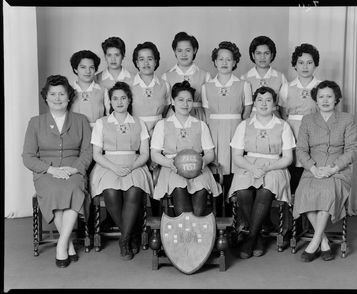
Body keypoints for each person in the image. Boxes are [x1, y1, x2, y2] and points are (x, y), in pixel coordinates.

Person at [22, 75, 92, 268]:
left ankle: (62, 244)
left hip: (73, 169)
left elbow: (88, 150)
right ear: (46, 97)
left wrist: (75, 168)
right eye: (53, 94)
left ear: (69, 97)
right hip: (46, 172)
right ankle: (67, 244)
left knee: (72, 189)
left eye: (62, 93)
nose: (58, 98)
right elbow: (27, 157)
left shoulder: (81, 120)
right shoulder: (35, 122)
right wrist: (51, 170)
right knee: (54, 191)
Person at [293, 80, 357, 262]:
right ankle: (323, 242)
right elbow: (301, 150)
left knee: (327, 193)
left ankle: (313, 243)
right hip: (313, 168)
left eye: (329, 96)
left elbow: (352, 150)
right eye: (321, 96)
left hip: (338, 169)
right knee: (303, 193)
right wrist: (313, 169)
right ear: (316, 99)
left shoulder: (347, 119)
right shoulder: (308, 120)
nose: (325, 100)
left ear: (336, 98)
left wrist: (333, 168)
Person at [228, 86, 295, 259]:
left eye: (268, 100)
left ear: (274, 105)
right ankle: (257, 237)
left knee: (266, 191)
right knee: (242, 191)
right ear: (255, 103)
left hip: (275, 165)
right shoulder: (244, 125)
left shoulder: (283, 126)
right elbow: (237, 156)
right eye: (259, 99)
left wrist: (267, 168)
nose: (263, 104)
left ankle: (250, 238)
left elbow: (287, 158)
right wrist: (252, 168)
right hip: (248, 163)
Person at [89, 81, 153, 260]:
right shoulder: (102, 123)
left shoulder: (139, 123)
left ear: (129, 100)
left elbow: (145, 153)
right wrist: (114, 167)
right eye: (115, 98)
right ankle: (130, 235)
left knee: (134, 193)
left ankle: (123, 240)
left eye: (123, 98)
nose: (119, 102)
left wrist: (132, 166)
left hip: (134, 163)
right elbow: (96, 154)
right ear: (110, 102)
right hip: (107, 164)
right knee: (110, 192)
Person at [151, 81, 222, 216]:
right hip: (172, 169)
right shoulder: (163, 125)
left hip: (198, 168)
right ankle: (184, 231)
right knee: (179, 188)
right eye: (181, 100)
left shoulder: (200, 125)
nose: (185, 104)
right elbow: (154, 154)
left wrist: (202, 163)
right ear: (173, 101)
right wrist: (169, 164)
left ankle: (197, 231)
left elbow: (209, 153)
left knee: (201, 189)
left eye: (189, 100)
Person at [202, 41, 253, 211]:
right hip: (214, 130)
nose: (224, 63)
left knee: (234, 168)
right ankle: (217, 210)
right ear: (215, 62)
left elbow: (247, 112)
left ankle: (234, 214)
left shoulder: (244, 85)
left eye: (228, 59)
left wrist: (238, 129)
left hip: (236, 128)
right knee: (216, 168)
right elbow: (207, 113)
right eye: (220, 59)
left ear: (235, 62)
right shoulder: (206, 87)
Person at [278, 43, 321, 193]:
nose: (305, 67)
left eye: (309, 63)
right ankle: (293, 209)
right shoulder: (287, 87)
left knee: (310, 166)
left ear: (315, 65)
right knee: (293, 168)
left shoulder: (321, 87)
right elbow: (283, 113)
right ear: (295, 65)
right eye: (301, 63)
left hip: (314, 130)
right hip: (292, 130)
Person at [162, 32, 211, 122]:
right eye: (179, 50)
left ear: (194, 50)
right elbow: (165, 105)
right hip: (174, 117)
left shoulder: (205, 76)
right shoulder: (166, 76)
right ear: (175, 51)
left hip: (198, 116)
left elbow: (208, 105)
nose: (183, 54)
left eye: (188, 50)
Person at [130, 41, 171, 136]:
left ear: (156, 61)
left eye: (150, 59)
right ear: (137, 63)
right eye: (141, 59)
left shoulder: (165, 85)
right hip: (135, 130)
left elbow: (166, 109)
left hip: (159, 131)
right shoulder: (128, 85)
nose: (146, 63)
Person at [240, 36, 287, 118]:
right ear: (253, 55)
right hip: (252, 120)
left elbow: (283, 106)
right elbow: (243, 107)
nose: (262, 57)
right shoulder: (244, 78)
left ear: (272, 55)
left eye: (266, 53)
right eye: (258, 53)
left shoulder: (280, 77)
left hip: (275, 120)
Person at [96, 36, 134, 114]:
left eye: (117, 55)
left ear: (123, 56)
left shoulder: (134, 78)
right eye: (109, 55)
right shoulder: (97, 79)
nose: (113, 59)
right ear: (105, 56)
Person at [70, 50, 104, 128]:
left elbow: (109, 115)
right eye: (83, 67)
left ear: (95, 69)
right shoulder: (68, 90)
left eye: (91, 67)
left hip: (97, 133)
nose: (88, 71)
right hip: (75, 132)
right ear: (75, 69)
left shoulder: (102, 90)